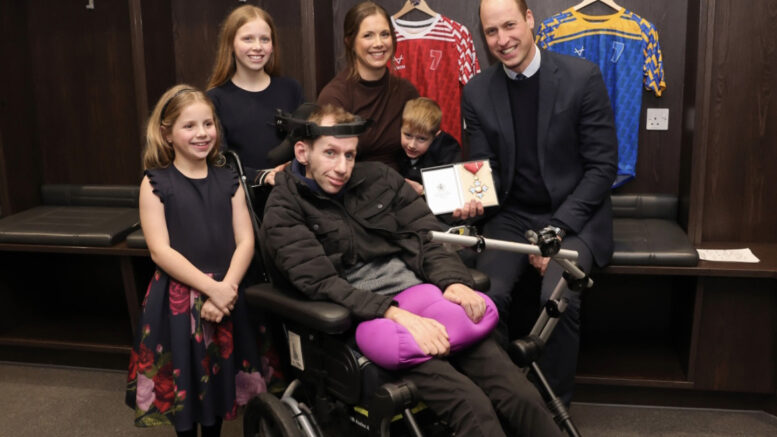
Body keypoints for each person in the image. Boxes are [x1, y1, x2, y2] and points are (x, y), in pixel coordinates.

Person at [259, 104, 564, 437]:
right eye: (330, 154)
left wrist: (454, 283)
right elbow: (320, 283)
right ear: (302, 152)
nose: (342, 167)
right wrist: (395, 314)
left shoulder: (380, 179)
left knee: (520, 395)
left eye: (350, 155)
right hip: (369, 320)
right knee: (473, 407)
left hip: (425, 298)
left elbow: (428, 236)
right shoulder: (284, 207)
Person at [460, 0, 618, 405]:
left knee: (557, 300)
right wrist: (471, 198)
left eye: (510, 25)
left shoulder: (582, 77)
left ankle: (551, 409)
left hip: (574, 215)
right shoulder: (477, 91)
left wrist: (557, 230)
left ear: (530, 21)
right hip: (512, 215)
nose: (502, 39)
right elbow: (483, 169)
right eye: (491, 31)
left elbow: (602, 168)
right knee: (484, 299)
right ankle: (500, 400)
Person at [126, 85, 265, 436]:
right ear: (167, 133)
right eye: (189, 126)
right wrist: (211, 289)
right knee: (186, 382)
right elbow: (160, 251)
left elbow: (246, 240)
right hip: (179, 300)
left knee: (219, 384)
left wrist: (226, 289)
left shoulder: (228, 178)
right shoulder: (156, 182)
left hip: (227, 291)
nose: (201, 133)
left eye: (207, 124)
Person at [207, 4, 303, 185]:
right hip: (241, 197)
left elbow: (308, 145)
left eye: (265, 39)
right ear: (231, 44)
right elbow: (217, 160)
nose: (258, 47)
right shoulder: (214, 100)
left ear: (273, 46)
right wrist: (262, 176)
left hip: (290, 192)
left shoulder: (291, 89)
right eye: (248, 39)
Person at [317, 1, 419, 171]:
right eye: (368, 35)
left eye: (385, 34)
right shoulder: (334, 97)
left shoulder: (407, 92)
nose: (379, 43)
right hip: (353, 190)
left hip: (403, 189)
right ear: (350, 42)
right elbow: (330, 166)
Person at [397, 97, 461, 197]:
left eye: (421, 139)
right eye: (408, 135)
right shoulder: (392, 145)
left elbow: (452, 192)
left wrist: (423, 191)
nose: (412, 145)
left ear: (436, 136)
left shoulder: (448, 151)